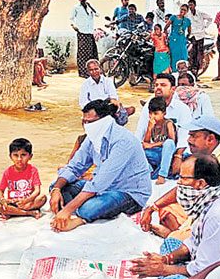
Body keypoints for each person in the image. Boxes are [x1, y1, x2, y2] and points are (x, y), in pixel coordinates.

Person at [131, 154, 220, 279]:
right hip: (207, 263)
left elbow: (203, 269)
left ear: (200, 183)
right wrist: (166, 259)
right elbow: (193, 242)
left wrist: (163, 269)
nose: (179, 183)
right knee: (170, 244)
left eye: (183, 178)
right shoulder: (208, 202)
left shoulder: (218, 214)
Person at [140, 116, 220, 238]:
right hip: (210, 211)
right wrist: (153, 207)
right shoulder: (205, 159)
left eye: (194, 136)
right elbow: (182, 188)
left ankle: (175, 235)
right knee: (166, 210)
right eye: (189, 135)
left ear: (210, 139)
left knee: (179, 237)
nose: (189, 140)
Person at [50, 99, 152, 232]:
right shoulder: (92, 137)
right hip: (101, 189)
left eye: (90, 122)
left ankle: (81, 217)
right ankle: (81, 208)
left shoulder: (124, 141)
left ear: (104, 120)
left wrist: (67, 210)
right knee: (57, 186)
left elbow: (99, 182)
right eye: (84, 121)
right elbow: (74, 167)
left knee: (89, 209)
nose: (86, 125)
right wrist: (56, 189)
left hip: (128, 192)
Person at [135, 74, 194, 160]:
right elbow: (140, 132)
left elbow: (183, 137)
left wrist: (178, 157)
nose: (158, 88)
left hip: (175, 153)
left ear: (173, 89)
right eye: (156, 85)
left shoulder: (182, 109)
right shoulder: (149, 105)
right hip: (153, 152)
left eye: (163, 85)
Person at [0, 138, 46, 219]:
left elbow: (37, 190)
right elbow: (0, 191)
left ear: (30, 156)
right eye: (15, 155)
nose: (19, 159)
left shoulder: (33, 170)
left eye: (23, 155)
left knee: (42, 198)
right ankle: (29, 213)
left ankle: (14, 212)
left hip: (28, 203)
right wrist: (3, 200)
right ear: (10, 156)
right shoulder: (7, 172)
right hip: (13, 203)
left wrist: (26, 200)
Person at [79, 59, 131, 125]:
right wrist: (93, 110)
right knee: (91, 118)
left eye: (96, 69)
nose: (94, 72)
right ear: (88, 72)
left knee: (127, 109)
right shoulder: (85, 84)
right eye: (91, 70)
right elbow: (83, 102)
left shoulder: (108, 81)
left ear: (100, 69)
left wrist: (112, 104)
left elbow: (113, 97)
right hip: (94, 109)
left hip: (107, 107)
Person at [143, 97, 178, 185]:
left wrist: (152, 145)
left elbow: (172, 141)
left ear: (164, 113)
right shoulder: (152, 124)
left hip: (168, 154)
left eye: (156, 113)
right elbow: (146, 143)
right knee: (139, 149)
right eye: (150, 113)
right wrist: (149, 128)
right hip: (158, 154)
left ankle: (162, 175)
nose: (152, 116)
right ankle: (150, 172)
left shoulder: (168, 123)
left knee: (168, 143)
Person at [70, 0, 98, 77]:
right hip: (82, 32)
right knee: (82, 53)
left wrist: (91, 7)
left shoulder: (89, 7)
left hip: (90, 32)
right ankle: (82, 72)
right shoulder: (76, 7)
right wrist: (73, 26)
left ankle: (91, 71)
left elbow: (97, 14)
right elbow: (71, 18)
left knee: (91, 52)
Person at [186, 0, 212, 75]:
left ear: (195, 5)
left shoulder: (200, 13)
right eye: (189, 5)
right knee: (192, 55)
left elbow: (210, 18)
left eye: (191, 5)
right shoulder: (187, 15)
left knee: (199, 55)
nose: (190, 6)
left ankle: (196, 73)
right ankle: (191, 72)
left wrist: (205, 26)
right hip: (192, 36)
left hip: (200, 36)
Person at [167, 4, 192, 72]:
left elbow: (189, 31)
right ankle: (174, 72)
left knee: (183, 56)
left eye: (185, 10)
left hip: (182, 41)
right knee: (174, 56)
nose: (182, 11)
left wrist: (186, 38)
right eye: (182, 9)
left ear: (187, 11)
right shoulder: (173, 17)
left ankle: (183, 72)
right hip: (173, 41)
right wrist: (167, 37)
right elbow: (166, 27)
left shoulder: (187, 21)